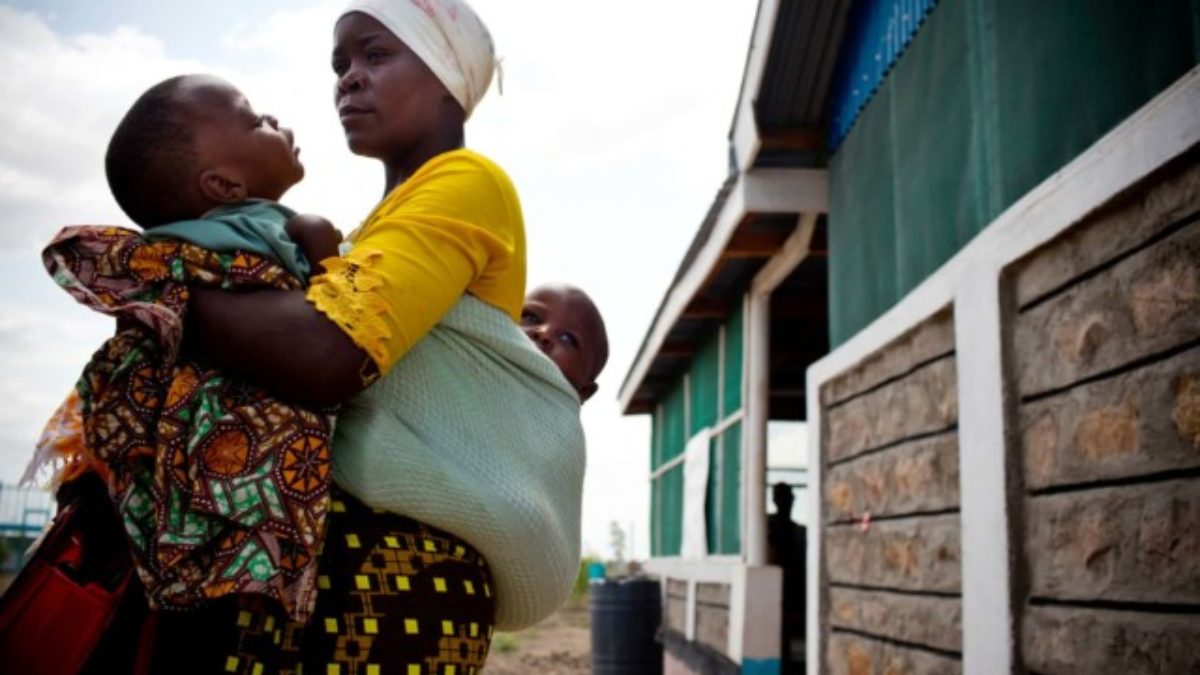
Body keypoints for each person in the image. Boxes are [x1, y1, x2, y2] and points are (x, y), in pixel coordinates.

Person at [158, 2, 592, 672]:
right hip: (365, 572)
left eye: (376, 54)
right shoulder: (377, 227)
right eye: (340, 64)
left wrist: (161, 295)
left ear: (447, 76)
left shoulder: (467, 180)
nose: (349, 78)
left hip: (403, 578)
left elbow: (329, 354)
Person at [32, 73, 343, 629]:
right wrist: (322, 244)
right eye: (256, 120)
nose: (274, 120)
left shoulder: (167, 251)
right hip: (235, 438)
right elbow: (334, 323)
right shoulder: (270, 231)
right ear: (223, 184)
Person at [767, 482, 807, 674]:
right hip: (775, 588)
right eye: (785, 498)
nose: (788, 502)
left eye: (789, 498)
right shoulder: (768, 526)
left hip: (793, 589)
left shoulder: (798, 531)